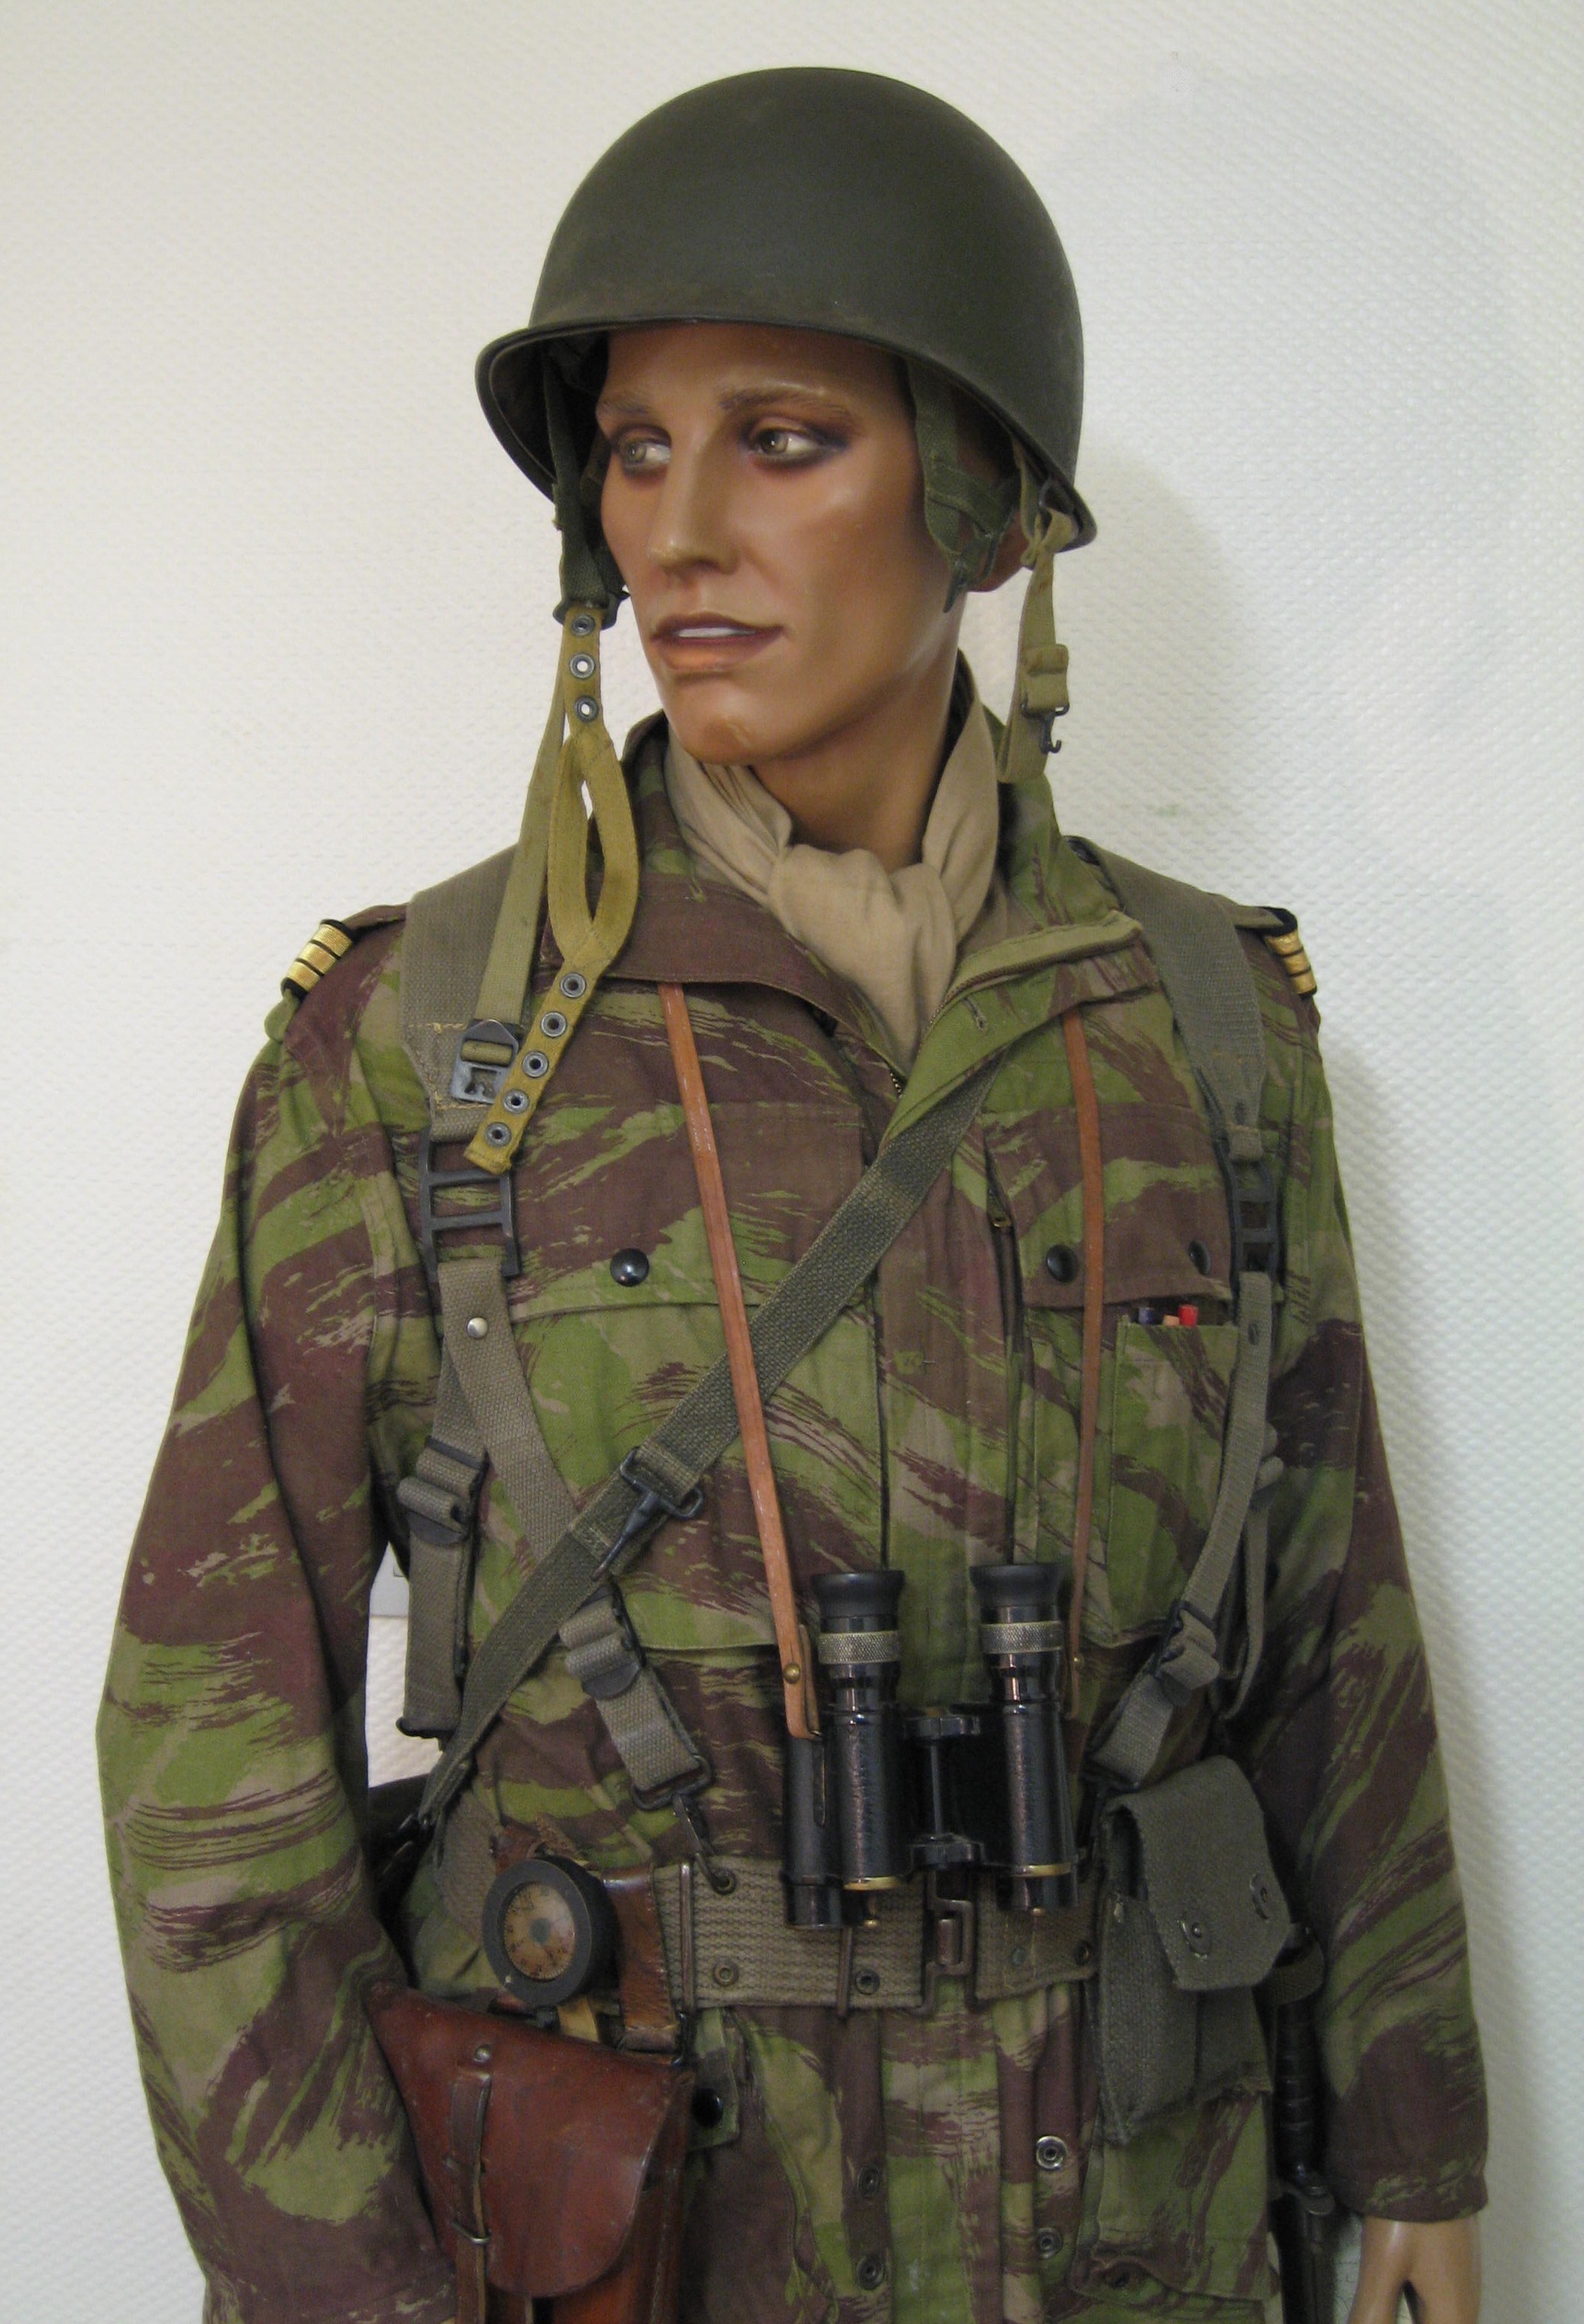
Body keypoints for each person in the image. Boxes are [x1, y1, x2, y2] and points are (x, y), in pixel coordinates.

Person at [98, 67, 1486, 2324]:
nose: (675, 533)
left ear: (982, 501)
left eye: (781, 439)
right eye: (636, 450)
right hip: (649, 2243)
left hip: (1130, 2226)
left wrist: (1413, 2135)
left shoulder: (1204, 1030)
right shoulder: (424, 1046)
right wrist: (345, 2295)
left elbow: (1334, 1630)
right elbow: (207, 1755)